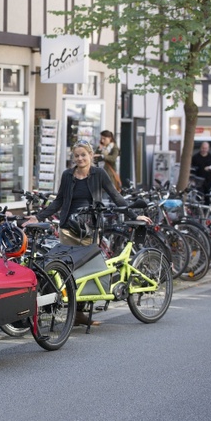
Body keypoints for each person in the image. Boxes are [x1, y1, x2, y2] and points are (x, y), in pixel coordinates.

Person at [23, 139, 152, 326]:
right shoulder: (68, 175)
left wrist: (134, 215)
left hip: (90, 229)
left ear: (91, 155)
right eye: (77, 156)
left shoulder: (99, 174)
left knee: (87, 271)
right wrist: (38, 217)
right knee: (67, 270)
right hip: (68, 228)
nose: (80, 158)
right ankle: (72, 311)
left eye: (83, 155)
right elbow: (59, 201)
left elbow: (115, 196)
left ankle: (80, 314)